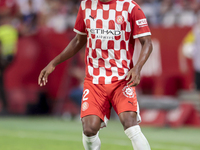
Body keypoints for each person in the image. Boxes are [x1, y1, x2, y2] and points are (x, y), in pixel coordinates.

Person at [38, 0, 153, 149]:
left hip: (122, 78)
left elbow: (147, 42)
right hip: (94, 80)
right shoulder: (86, 5)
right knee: (89, 129)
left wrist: (137, 68)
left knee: (130, 123)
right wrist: (54, 62)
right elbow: (79, 40)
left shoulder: (130, 7)